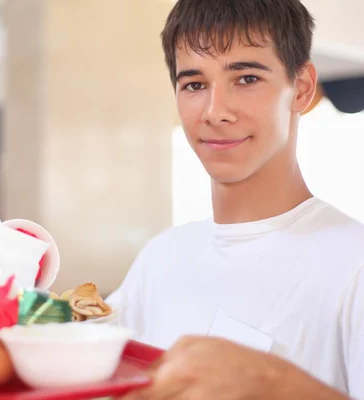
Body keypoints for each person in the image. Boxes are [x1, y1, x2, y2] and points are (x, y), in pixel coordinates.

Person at [108, 0, 364, 398]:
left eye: (246, 78)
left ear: (302, 88)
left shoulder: (354, 263)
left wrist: (273, 382)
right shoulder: (160, 258)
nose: (215, 111)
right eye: (194, 84)